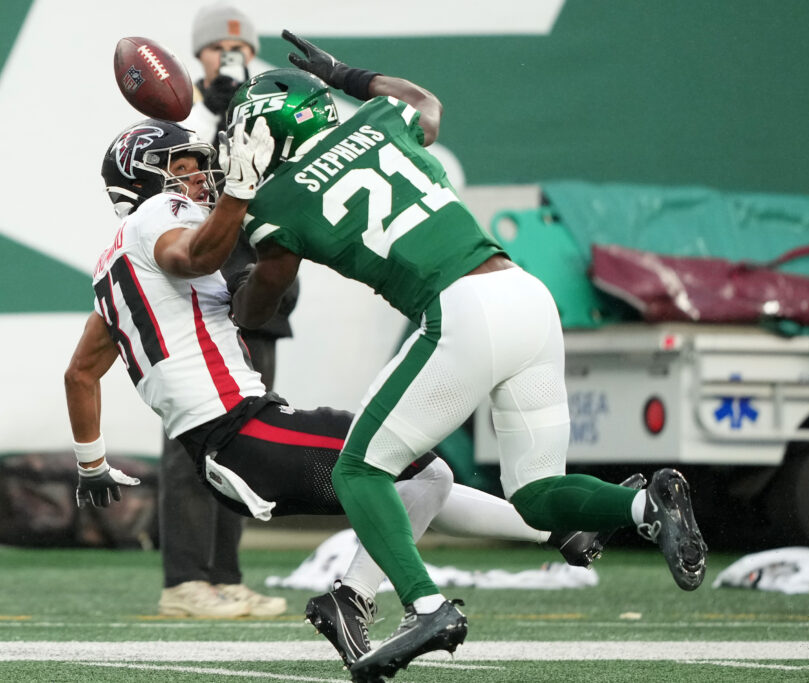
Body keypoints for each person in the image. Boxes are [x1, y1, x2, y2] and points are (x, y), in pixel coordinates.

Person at [226, 31, 709, 681]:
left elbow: (265, 296)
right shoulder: (379, 122)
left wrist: (231, 299)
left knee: (359, 471)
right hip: (527, 297)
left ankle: (424, 605)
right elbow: (425, 101)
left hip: (462, 310)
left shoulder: (277, 202)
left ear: (268, 135)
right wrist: (347, 74)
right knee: (536, 496)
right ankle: (645, 508)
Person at [63, 116, 624, 668]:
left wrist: (92, 465)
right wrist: (240, 192)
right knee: (419, 474)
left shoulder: (113, 269)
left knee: (409, 482)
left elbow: (81, 373)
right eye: (179, 169)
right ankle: (354, 599)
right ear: (138, 183)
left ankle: (560, 530)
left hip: (229, 446)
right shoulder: (157, 215)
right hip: (245, 432)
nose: (198, 179)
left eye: (198, 168)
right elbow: (194, 257)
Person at [156, 2, 293, 618]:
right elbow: (197, 185)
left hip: (261, 303)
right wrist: (219, 103)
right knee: (191, 445)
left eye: (238, 49)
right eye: (217, 49)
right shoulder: (184, 120)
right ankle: (185, 581)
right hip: (203, 303)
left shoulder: (268, 115)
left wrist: (244, 103)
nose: (228, 58)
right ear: (199, 55)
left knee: (247, 446)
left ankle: (226, 576)